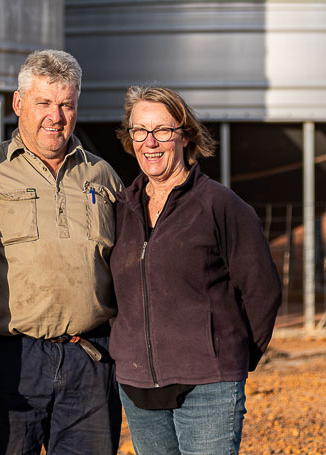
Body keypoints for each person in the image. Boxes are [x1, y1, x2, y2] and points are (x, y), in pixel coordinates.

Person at [0, 49, 124, 455]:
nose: (56, 116)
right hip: (9, 360)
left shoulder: (103, 175)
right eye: (43, 102)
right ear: (18, 103)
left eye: (66, 104)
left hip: (91, 359)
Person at [109, 86, 281, 455]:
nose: (150, 142)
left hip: (207, 385)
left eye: (163, 131)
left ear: (185, 135)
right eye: (140, 131)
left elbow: (262, 288)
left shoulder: (219, 204)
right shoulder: (123, 207)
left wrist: (233, 356)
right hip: (139, 389)